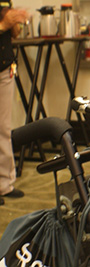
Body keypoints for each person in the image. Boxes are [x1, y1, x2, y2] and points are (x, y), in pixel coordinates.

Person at [0, 0, 27, 205]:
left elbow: (15, 33)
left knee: (3, 128)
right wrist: (3, 24)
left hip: (5, 70)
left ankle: (5, 184)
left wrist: (17, 20)